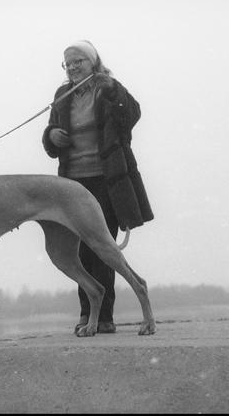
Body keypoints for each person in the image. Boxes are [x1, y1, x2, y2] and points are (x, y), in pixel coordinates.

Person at [42, 40, 154, 334]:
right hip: (72, 183)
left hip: (107, 179)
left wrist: (114, 89)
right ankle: (87, 314)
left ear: (93, 61)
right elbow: (50, 140)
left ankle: (104, 317)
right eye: (68, 62)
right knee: (79, 251)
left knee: (103, 248)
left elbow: (131, 115)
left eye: (78, 60)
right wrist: (52, 135)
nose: (73, 66)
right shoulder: (62, 94)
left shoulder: (108, 87)